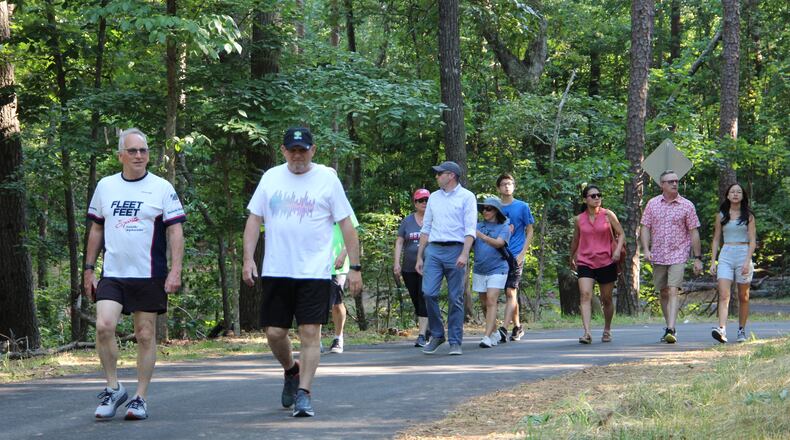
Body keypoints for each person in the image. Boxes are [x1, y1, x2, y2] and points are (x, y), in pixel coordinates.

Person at [242, 127, 362, 417]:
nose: (298, 155)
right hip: (277, 269)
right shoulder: (271, 177)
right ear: (283, 151)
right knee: (274, 332)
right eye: (292, 150)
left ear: (313, 150)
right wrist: (248, 259)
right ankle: (291, 370)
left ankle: (305, 393)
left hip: (314, 272)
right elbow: (254, 219)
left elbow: (347, 225)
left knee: (310, 332)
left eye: (303, 150)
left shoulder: (327, 180)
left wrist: (355, 267)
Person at [83, 128, 186, 420]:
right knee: (104, 326)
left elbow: (176, 231)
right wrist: (89, 269)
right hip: (113, 273)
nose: (139, 156)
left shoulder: (162, 187)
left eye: (143, 151)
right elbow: (97, 228)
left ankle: (140, 397)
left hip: (149, 273)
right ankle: (114, 387)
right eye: (133, 151)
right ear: (120, 156)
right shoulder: (106, 186)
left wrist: (175, 270)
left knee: (144, 334)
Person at [415, 161, 476, 356]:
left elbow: (470, 229)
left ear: (451, 175)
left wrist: (465, 253)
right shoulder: (433, 197)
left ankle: (456, 341)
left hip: (456, 249)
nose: (436, 176)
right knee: (428, 293)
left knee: (454, 297)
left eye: (439, 173)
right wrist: (420, 256)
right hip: (434, 249)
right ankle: (438, 334)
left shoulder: (467, 197)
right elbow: (426, 227)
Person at [641, 169, 703, 343]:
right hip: (658, 254)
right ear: (662, 185)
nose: (674, 184)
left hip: (678, 254)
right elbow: (645, 227)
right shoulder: (652, 204)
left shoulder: (686, 205)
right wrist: (646, 249)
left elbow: (693, 232)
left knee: (674, 289)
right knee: (663, 292)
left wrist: (698, 257)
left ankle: (671, 328)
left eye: (676, 181)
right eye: (670, 181)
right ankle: (668, 325)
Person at [569, 185, 625, 344]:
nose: (596, 198)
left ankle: (607, 329)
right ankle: (587, 333)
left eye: (598, 195)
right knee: (585, 294)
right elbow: (576, 239)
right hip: (585, 261)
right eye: (592, 196)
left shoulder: (608, 215)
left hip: (607, 261)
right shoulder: (579, 219)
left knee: (606, 299)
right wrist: (571, 256)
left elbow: (621, 234)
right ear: (585, 199)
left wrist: (617, 251)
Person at [709, 183, 756, 343]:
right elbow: (716, 239)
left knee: (743, 296)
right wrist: (713, 261)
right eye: (732, 192)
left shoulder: (748, 216)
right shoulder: (721, 215)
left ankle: (741, 330)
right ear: (727, 195)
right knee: (724, 294)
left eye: (738, 192)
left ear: (743, 196)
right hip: (726, 254)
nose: (735, 194)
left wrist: (747, 261)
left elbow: (752, 241)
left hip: (743, 253)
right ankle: (721, 329)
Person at [496, 173, 534, 343]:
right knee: (508, 291)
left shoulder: (522, 206)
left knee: (510, 290)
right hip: (497, 254)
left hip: (516, 253)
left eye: (510, 184)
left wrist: (523, 253)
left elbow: (530, 230)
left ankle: (503, 328)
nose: (507, 186)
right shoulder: (494, 207)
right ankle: (518, 326)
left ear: (514, 186)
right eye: (504, 184)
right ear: (498, 188)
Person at [394, 188, 431, 347]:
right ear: (415, 203)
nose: (424, 203)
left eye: (426, 200)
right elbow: (400, 241)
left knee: (424, 296)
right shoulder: (407, 221)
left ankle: (421, 335)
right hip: (409, 267)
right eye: (420, 201)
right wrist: (396, 262)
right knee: (417, 299)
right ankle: (428, 328)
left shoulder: (434, 219)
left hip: (429, 266)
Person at [473, 197, 511, 348]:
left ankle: (486, 337)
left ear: (496, 211)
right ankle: (494, 332)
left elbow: (499, 243)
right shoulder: (477, 225)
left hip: (498, 268)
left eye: (489, 208)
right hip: (479, 269)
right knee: (484, 303)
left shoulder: (504, 227)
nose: (485, 211)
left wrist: (480, 235)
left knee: (491, 300)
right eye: (483, 209)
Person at [327, 210, 360, 354]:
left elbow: (352, 234)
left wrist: (343, 254)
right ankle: (315, 340)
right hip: (315, 265)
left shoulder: (342, 206)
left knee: (336, 302)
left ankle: (338, 337)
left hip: (337, 265)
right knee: (317, 303)